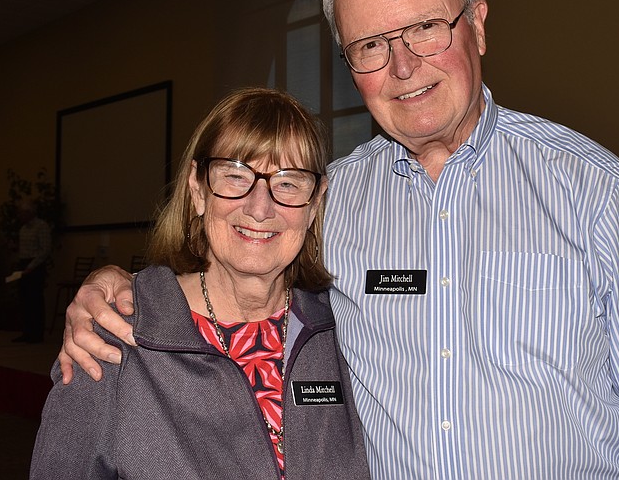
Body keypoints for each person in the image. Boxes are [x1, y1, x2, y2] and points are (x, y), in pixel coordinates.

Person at [58, 0, 619, 480]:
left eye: (424, 29)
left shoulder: (590, 187)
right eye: (371, 45)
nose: (403, 65)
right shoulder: (333, 200)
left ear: (476, 25)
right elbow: (241, 257)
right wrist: (114, 286)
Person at [31, 88, 370, 479]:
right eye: (235, 175)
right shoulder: (116, 337)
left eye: (288, 183)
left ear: (315, 204)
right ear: (198, 190)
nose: (260, 208)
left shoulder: (346, 331)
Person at [13, 200, 52, 343]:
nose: (19, 216)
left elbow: (45, 250)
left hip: (36, 266)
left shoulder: (41, 226)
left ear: (29, 213)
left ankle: (37, 334)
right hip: (24, 264)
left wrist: (32, 266)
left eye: (22, 213)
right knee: (24, 300)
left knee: (35, 300)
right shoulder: (23, 229)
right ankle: (26, 332)